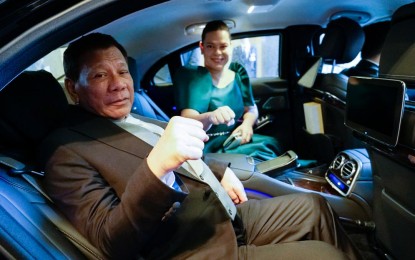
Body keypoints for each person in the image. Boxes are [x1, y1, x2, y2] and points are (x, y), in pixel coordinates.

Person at [38, 32, 362, 259]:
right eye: (99, 76)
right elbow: (110, 242)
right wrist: (157, 166)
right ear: (73, 87)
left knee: (314, 206)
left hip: (222, 214)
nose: (119, 84)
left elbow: (187, 155)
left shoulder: (138, 115)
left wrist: (220, 172)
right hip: (191, 246)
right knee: (326, 256)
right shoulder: (64, 151)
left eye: (122, 70)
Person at [173, 20, 281, 162]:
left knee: (272, 144)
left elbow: (251, 109)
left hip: (234, 140)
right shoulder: (194, 77)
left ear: (231, 46)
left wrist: (246, 125)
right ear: (202, 47)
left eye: (223, 46)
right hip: (208, 147)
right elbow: (188, 119)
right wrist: (210, 117)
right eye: (210, 46)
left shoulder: (238, 74)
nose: (217, 53)